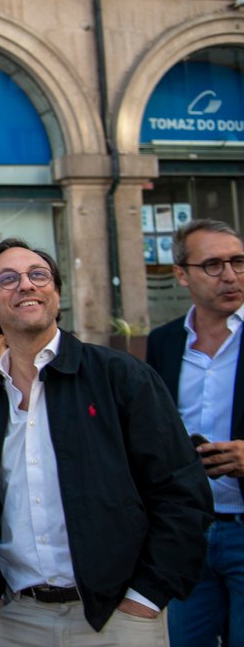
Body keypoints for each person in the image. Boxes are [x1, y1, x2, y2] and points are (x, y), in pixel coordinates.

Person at [0, 237, 213, 644]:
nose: (26, 284)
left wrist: (146, 597)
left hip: (117, 617)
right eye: (8, 279)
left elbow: (181, 490)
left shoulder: (120, 376)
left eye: (38, 275)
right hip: (16, 619)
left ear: (56, 294)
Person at [145, 218, 244, 647]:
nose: (230, 275)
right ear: (181, 274)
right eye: (213, 265)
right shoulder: (164, 341)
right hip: (187, 531)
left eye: (239, 262)